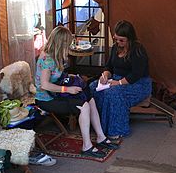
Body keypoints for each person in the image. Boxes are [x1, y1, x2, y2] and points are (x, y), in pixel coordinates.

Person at [34, 26, 119, 159]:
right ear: (61, 42)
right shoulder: (47, 59)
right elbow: (44, 85)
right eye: (67, 43)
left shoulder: (55, 55)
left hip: (56, 93)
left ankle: (101, 137)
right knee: (83, 106)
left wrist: (72, 77)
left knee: (89, 97)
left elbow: (58, 77)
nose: (69, 46)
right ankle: (87, 146)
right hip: (46, 99)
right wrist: (67, 89)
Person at [90, 20, 152, 139]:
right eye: (116, 39)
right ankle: (101, 126)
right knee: (93, 87)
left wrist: (118, 83)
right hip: (116, 80)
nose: (118, 42)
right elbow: (108, 67)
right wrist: (105, 76)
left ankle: (116, 130)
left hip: (137, 84)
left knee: (113, 93)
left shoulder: (138, 50)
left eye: (121, 40)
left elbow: (136, 75)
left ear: (129, 39)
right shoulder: (115, 48)